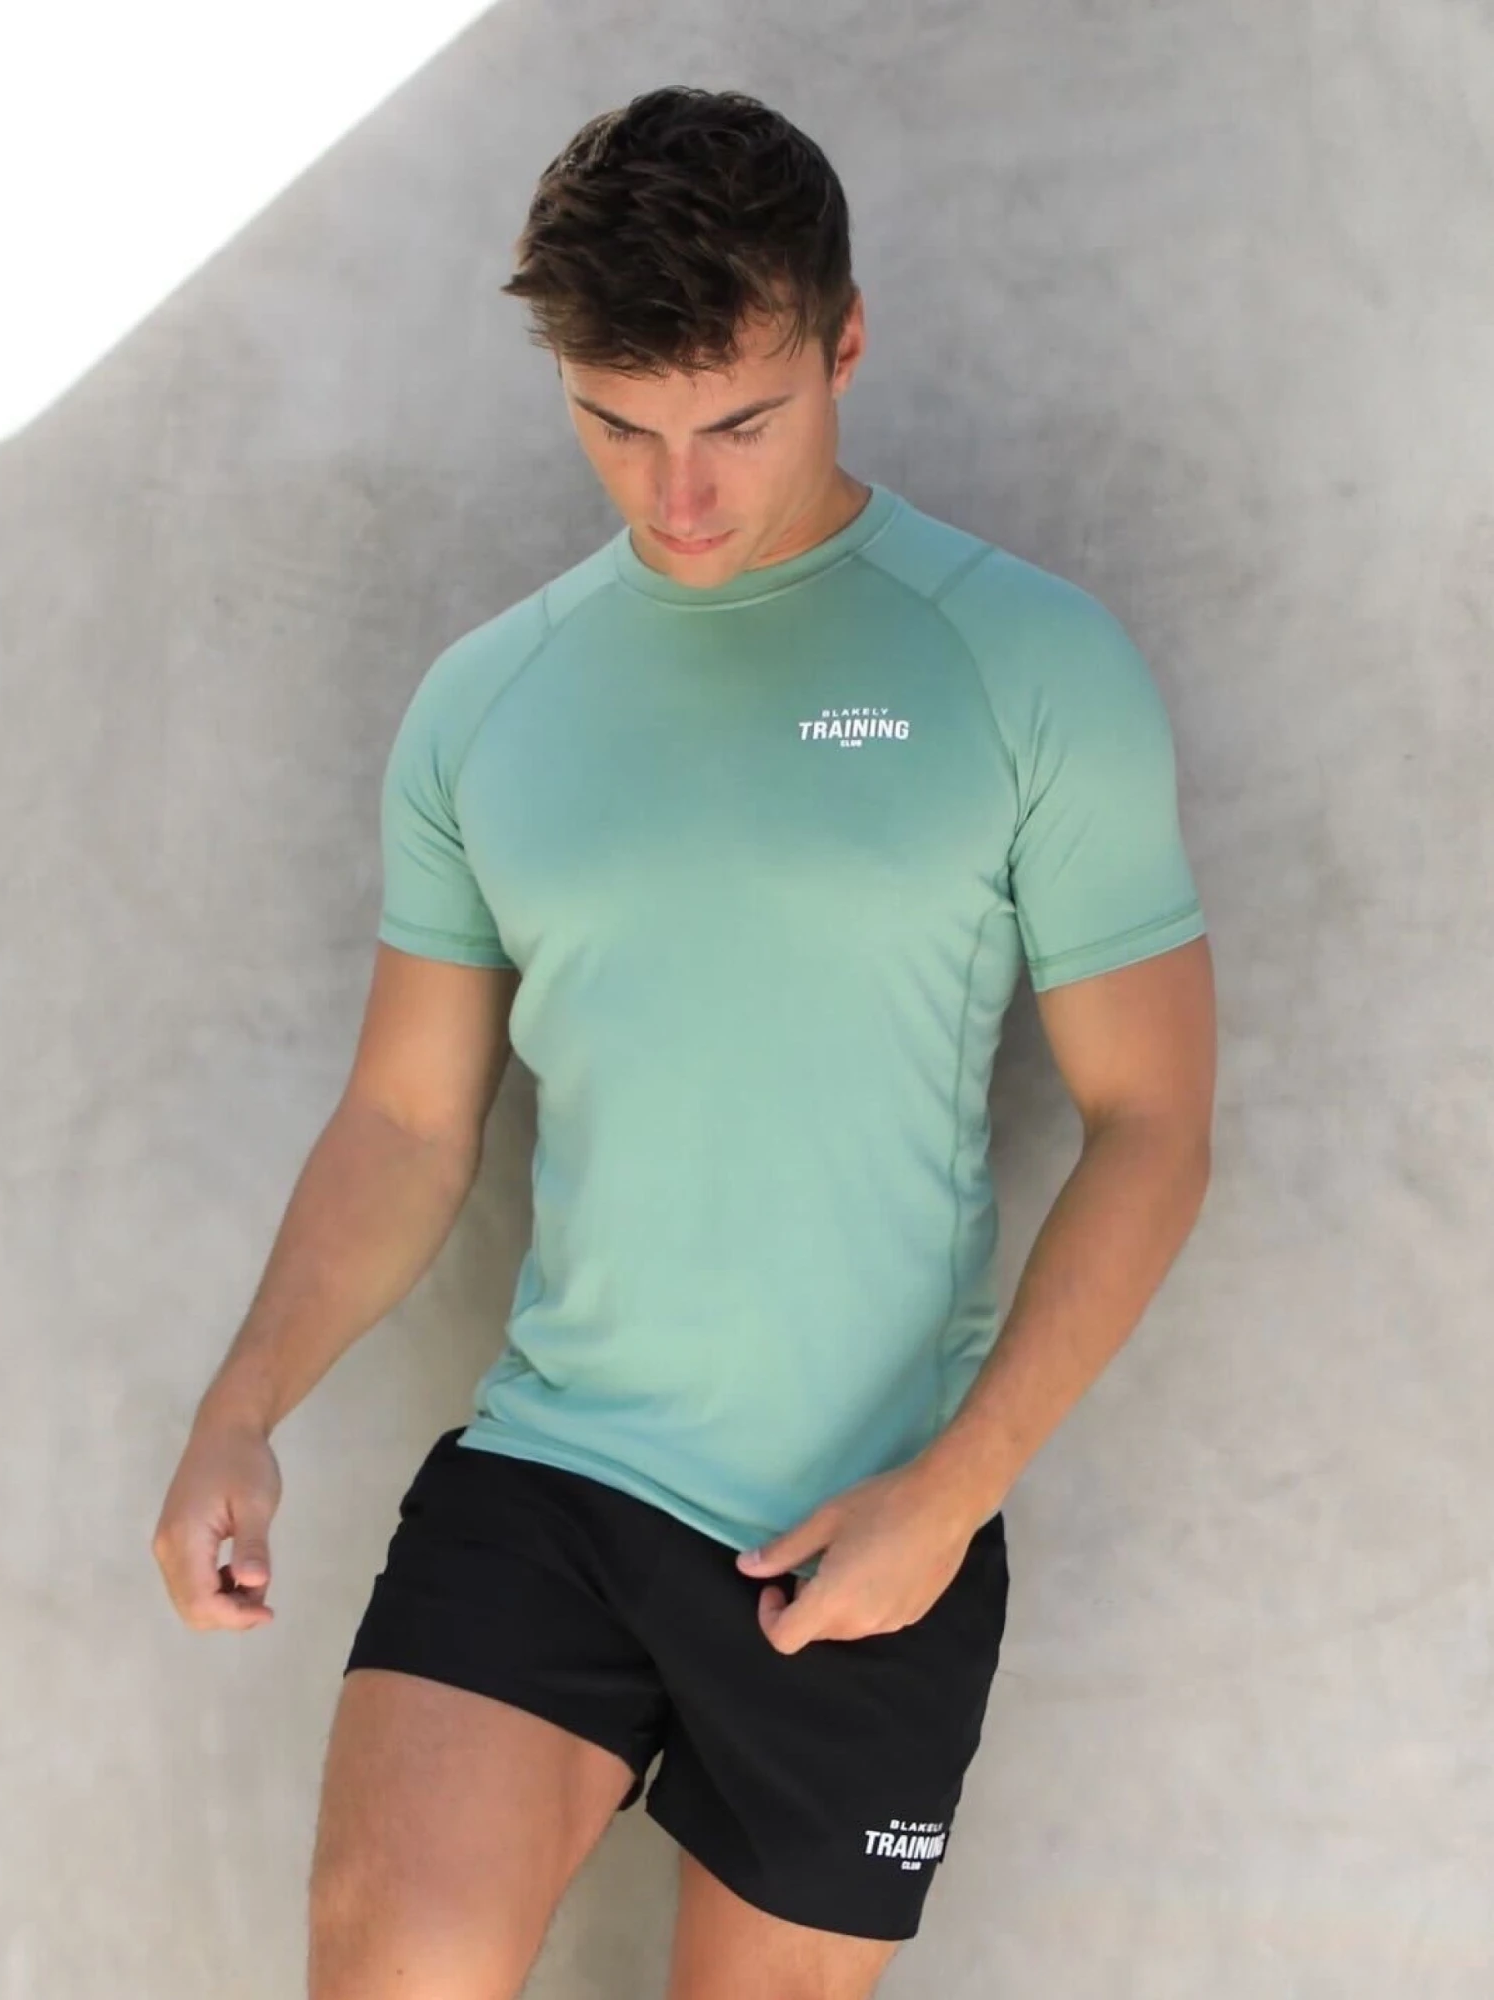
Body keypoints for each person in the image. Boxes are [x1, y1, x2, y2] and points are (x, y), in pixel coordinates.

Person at [152, 84, 1216, 2000]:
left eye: (740, 422)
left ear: (847, 343)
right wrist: (243, 1404)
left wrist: (954, 1493)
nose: (682, 498)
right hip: (554, 1479)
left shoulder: (1027, 666)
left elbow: (1154, 1121)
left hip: (868, 1520)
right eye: (618, 427)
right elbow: (407, 1122)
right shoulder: (489, 704)